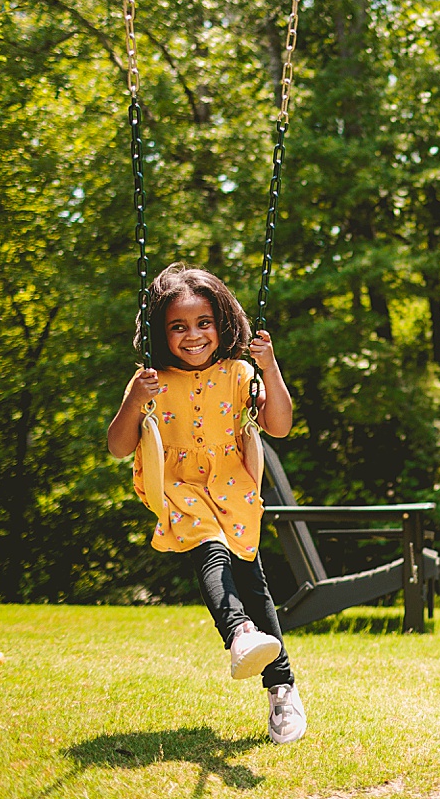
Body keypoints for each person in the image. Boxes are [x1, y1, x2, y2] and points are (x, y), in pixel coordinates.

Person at [107, 263, 306, 744]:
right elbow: (117, 445)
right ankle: (238, 633)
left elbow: (278, 426)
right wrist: (135, 399)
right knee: (209, 549)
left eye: (203, 323)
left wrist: (269, 365)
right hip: (177, 485)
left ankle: (282, 690)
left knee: (254, 583)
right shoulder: (151, 380)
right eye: (178, 326)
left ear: (222, 324)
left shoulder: (240, 373)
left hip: (233, 484)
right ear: (160, 331)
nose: (192, 335)